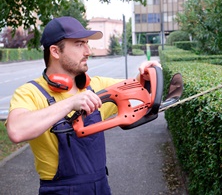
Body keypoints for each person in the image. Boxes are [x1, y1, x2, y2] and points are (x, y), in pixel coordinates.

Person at [5, 16, 161, 195]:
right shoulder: (30, 92)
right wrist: (70, 103)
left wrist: (147, 74)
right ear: (55, 51)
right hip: (59, 190)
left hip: (101, 187)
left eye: (87, 43)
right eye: (79, 44)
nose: (88, 51)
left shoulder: (96, 86)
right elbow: (16, 131)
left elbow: (141, 92)